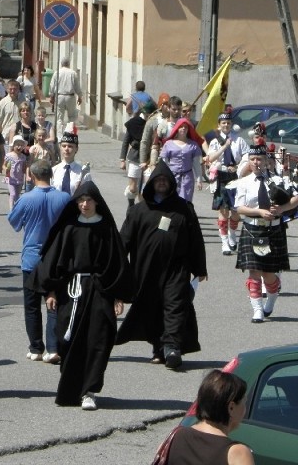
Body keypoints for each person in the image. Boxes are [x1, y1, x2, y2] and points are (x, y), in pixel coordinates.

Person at [27, 181, 133, 410]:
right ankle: (71, 388)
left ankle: (90, 391)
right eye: (81, 200)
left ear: (97, 202)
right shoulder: (68, 228)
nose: (84, 204)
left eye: (89, 200)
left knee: (99, 339)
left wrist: (117, 296)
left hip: (99, 290)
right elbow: (52, 261)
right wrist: (51, 291)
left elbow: (117, 264)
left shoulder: (106, 229)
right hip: (71, 290)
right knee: (68, 339)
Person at [117, 160, 207, 369]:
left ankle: (172, 347)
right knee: (152, 310)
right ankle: (159, 348)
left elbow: (196, 239)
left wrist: (200, 268)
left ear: (171, 183)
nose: (162, 183)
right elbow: (124, 241)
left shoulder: (184, 209)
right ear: (151, 183)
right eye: (158, 180)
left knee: (175, 306)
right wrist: (117, 266)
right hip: (146, 270)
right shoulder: (139, 210)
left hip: (177, 269)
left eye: (165, 180)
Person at [8, 160, 70, 363]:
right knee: (54, 302)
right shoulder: (64, 198)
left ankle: (36, 346)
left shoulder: (27, 198)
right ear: (50, 175)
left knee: (32, 304)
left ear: (33, 177)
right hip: (56, 257)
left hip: (31, 258)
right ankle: (53, 348)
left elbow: (14, 222)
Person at [234, 137, 298, 323]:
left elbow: (295, 198)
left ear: (267, 161)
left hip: (273, 231)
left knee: (269, 275)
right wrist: (258, 212)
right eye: (252, 160)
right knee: (254, 271)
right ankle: (257, 310)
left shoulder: (278, 180)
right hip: (252, 229)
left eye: (259, 159)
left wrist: (281, 209)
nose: (256, 163)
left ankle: (271, 298)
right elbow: (239, 208)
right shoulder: (244, 182)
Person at [166, 370, 254, 465]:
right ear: (231, 408)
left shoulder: (176, 436)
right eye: (244, 402)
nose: (245, 409)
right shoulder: (237, 453)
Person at [205, 111, 248, 255]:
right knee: (223, 211)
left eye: (228, 123)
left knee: (236, 211)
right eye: (223, 123)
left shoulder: (239, 140)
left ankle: (232, 233)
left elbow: (246, 157)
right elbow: (210, 158)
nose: (226, 125)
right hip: (221, 177)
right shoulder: (215, 141)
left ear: (231, 125)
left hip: (236, 177)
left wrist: (238, 166)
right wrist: (224, 146)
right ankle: (224, 241)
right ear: (219, 125)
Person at [120, 100, 155, 209]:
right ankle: (131, 204)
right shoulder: (133, 122)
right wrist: (122, 159)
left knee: (144, 189)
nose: (150, 116)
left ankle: (141, 210)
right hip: (135, 157)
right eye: (149, 114)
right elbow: (126, 141)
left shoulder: (154, 123)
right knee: (133, 188)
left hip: (149, 159)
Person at [160, 117, 204, 202]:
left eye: (186, 127)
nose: (183, 128)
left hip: (187, 178)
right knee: (171, 200)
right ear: (177, 128)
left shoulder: (193, 145)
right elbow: (164, 163)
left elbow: (196, 164)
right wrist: (164, 177)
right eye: (181, 126)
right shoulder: (169, 144)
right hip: (172, 177)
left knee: (185, 201)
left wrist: (199, 179)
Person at [48, 57, 83, 139]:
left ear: (61, 64)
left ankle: (59, 137)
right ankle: (70, 135)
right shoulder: (73, 73)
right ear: (69, 64)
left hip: (59, 96)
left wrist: (51, 96)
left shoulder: (57, 73)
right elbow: (77, 86)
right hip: (70, 96)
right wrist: (80, 96)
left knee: (59, 118)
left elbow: (52, 86)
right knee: (72, 117)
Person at [51, 130, 91, 196]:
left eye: (70, 146)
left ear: (76, 149)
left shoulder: (83, 173)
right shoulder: (53, 170)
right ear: (60, 148)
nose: (66, 149)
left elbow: (88, 195)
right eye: (64, 146)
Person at [3, 135, 27, 210]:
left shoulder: (23, 157)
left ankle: (17, 210)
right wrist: (6, 168)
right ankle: (11, 210)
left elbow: (24, 168)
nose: (19, 147)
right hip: (11, 178)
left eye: (21, 145)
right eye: (17, 145)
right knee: (12, 194)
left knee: (17, 195)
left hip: (19, 179)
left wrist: (27, 174)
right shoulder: (9, 155)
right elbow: (3, 165)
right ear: (13, 146)